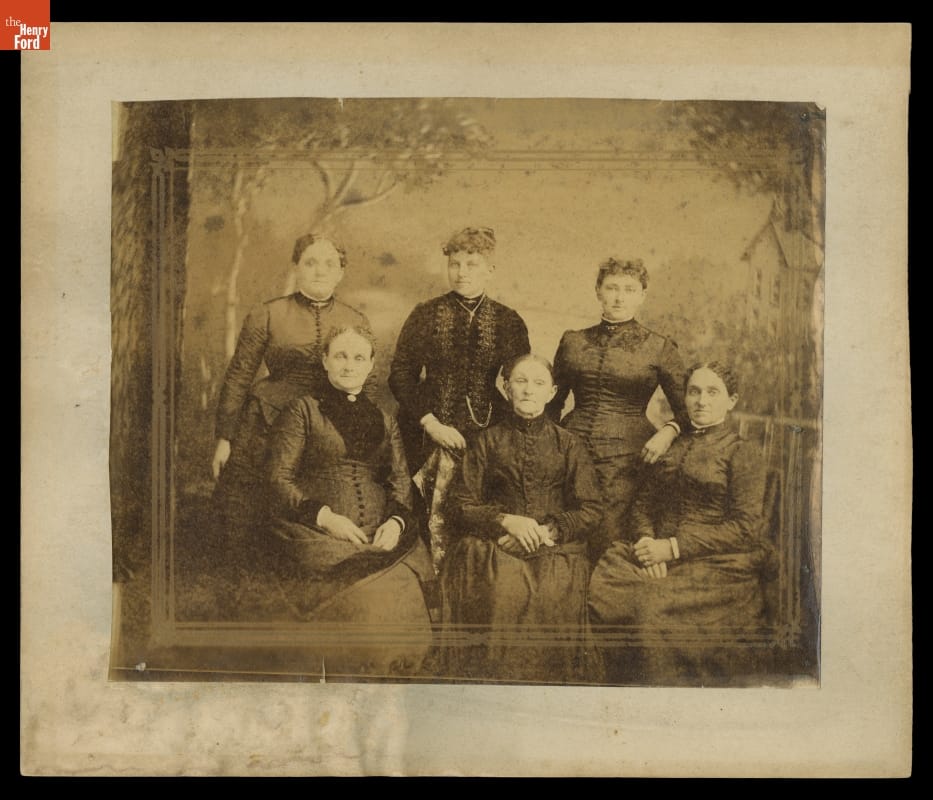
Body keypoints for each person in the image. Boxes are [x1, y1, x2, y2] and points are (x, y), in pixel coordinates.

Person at [264, 325, 435, 675]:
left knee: (407, 591)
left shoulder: (384, 418)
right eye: (340, 355)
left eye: (359, 357)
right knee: (370, 600)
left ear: (371, 365)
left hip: (379, 531)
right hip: (318, 532)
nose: (349, 364)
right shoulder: (303, 411)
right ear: (325, 361)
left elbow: (400, 478)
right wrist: (325, 517)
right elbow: (277, 477)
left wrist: (396, 521)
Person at [587, 361, 770, 685]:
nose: (701, 401)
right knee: (603, 594)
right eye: (694, 392)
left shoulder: (743, 452)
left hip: (716, 565)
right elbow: (643, 504)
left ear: (732, 400)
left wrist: (672, 549)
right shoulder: (671, 445)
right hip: (655, 552)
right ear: (684, 398)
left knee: (650, 612)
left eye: (713, 392)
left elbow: (745, 528)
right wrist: (645, 543)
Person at [440, 354, 604, 683]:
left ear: (553, 392)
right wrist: (505, 520)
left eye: (538, 383)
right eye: (520, 381)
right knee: (501, 591)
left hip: (555, 547)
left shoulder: (569, 444)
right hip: (496, 544)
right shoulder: (487, 441)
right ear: (506, 387)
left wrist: (546, 532)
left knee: (551, 592)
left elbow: (591, 509)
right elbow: (459, 503)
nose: (529, 390)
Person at [211, 233, 370, 546]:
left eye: (329, 264)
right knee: (243, 505)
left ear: (341, 272)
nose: (319, 271)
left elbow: (365, 380)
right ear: (297, 267)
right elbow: (240, 375)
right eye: (310, 263)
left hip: (326, 422)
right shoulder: (267, 313)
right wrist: (224, 437)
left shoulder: (355, 319)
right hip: (266, 420)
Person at [389, 226, 530, 571]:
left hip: (486, 431)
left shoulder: (508, 320)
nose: (462, 272)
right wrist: (431, 423)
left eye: (472, 264)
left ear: (489, 270)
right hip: (425, 431)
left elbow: (520, 381)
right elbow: (401, 375)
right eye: (455, 264)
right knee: (427, 515)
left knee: (477, 512)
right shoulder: (425, 314)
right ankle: (430, 591)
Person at [547, 257, 690, 556]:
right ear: (598, 291)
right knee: (563, 534)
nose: (619, 297)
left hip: (628, 460)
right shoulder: (573, 341)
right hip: (571, 450)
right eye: (611, 287)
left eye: (628, 289)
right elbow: (552, 404)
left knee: (609, 539)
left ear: (642, 295)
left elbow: (689, 408)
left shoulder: (660, 347)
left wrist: (669, 430)